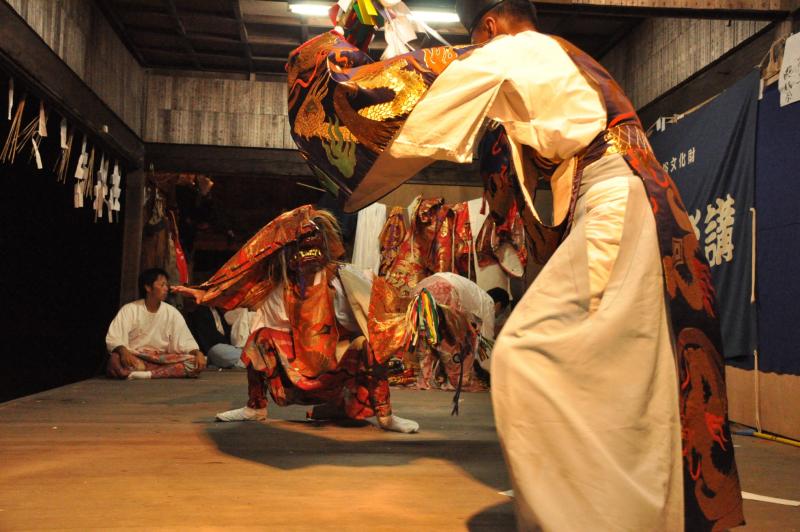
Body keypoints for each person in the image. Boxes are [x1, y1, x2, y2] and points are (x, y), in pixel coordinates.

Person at [285, 2, 744, 529]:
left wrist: (345, 42)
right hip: (632, 199)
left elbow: (410, 96)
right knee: (623, 367)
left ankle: (581, 518)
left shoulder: (515, 50)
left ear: (490, 26)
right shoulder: (557, 55)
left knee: (527, 351)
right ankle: (630, 511)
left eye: (478, 39)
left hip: (617, 203)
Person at [173, 205, 419, 433]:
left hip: (335, 366)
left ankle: (385, 416)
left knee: (366, 345)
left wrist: (414, 314)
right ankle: (255, 406)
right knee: (260, 338)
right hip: (295, 369)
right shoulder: (280, 286)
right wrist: (206, 294)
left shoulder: (344, 278)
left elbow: (378, 317)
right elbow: (240, 291)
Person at [106, 268, 206, 379]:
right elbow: (115, 338)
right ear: (148, 287)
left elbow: (185, 341)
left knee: (193, 362)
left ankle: (147, 374)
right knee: (115, 359)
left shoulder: (172, 312)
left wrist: (197, 353)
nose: (166, 289)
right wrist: (123, 352)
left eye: (166, 285)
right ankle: (147, 372)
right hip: (136, 357)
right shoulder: (130, 309)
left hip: (161, 359)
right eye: (162, 285)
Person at [186, 304, 244, 369]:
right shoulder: (200, 311)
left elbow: (226, 334)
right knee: (218, 349)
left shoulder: (217, 310)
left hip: (223, 350)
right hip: (212, 351)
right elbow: (208, 340)